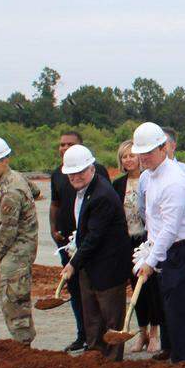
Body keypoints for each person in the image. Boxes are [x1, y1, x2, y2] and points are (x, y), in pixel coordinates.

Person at [132, 122, 185, 363]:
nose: (143, 158)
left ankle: (184, 361)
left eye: (149, 153)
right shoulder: (150, 176)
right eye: (140, 153)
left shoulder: (173, 181)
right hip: (165, 248)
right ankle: (172, 352)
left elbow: (170, 228)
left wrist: (151, 261)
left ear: (164, 148)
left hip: (181, 249)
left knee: (180, 308)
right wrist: (148, 251)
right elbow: (153, 219)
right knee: (168, 305)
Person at [59, 145, 132, 359]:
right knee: (92, 315)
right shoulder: (84, 191)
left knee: (110, 317)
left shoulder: (102, 195)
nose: (76, 177)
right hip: (91, 265)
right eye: (72, 173)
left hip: (108, 265)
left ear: (91, 168)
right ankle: (95, 356)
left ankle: (111, 361)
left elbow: (94, 237)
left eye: (80, 172)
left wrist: (73, 263)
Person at [49, 131, 110, 353]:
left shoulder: (97, 175)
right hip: (69, 242)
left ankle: (101, 342)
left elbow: (100, 219)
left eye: (70, 144)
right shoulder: (57, 174)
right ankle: (83, 335)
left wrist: (78, 257)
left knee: (96, 293)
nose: (64, 148)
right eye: (62, 144)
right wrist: (53, 228)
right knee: (76, 290)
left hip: (89, 246)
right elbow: (55, 204)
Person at [0, 136, 39, 345]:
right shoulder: (13, 179)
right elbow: (36, 191)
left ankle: (23, 344)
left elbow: (7, 232)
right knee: (13, 296)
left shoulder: (11, 190)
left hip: (18, 249)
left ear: (6, 160)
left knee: (14, 299)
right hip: (17, 246)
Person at [112, 140, 163, 353]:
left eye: (132, 155)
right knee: (136, 289)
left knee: (151, 287)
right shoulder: (117, 184)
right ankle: (140, 333)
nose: (129, 159)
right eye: (124, 156)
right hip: (127, 241)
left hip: (146, 239)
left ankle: (154, 333)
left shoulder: (148, 179)